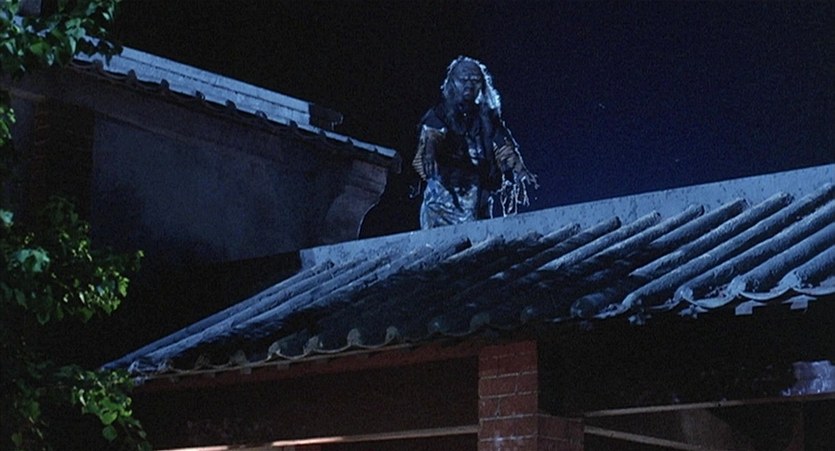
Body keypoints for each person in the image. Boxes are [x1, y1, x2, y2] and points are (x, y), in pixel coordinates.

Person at [412, 56, 537, 229]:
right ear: (452, 83)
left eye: (475, 80)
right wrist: (430, 151)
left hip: (478, 199)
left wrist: (520, 170)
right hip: (443, 201)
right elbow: (432, 135)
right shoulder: (440, 113)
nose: (469, 85)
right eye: (464, 80)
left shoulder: (488, 118)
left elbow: (504, 146)